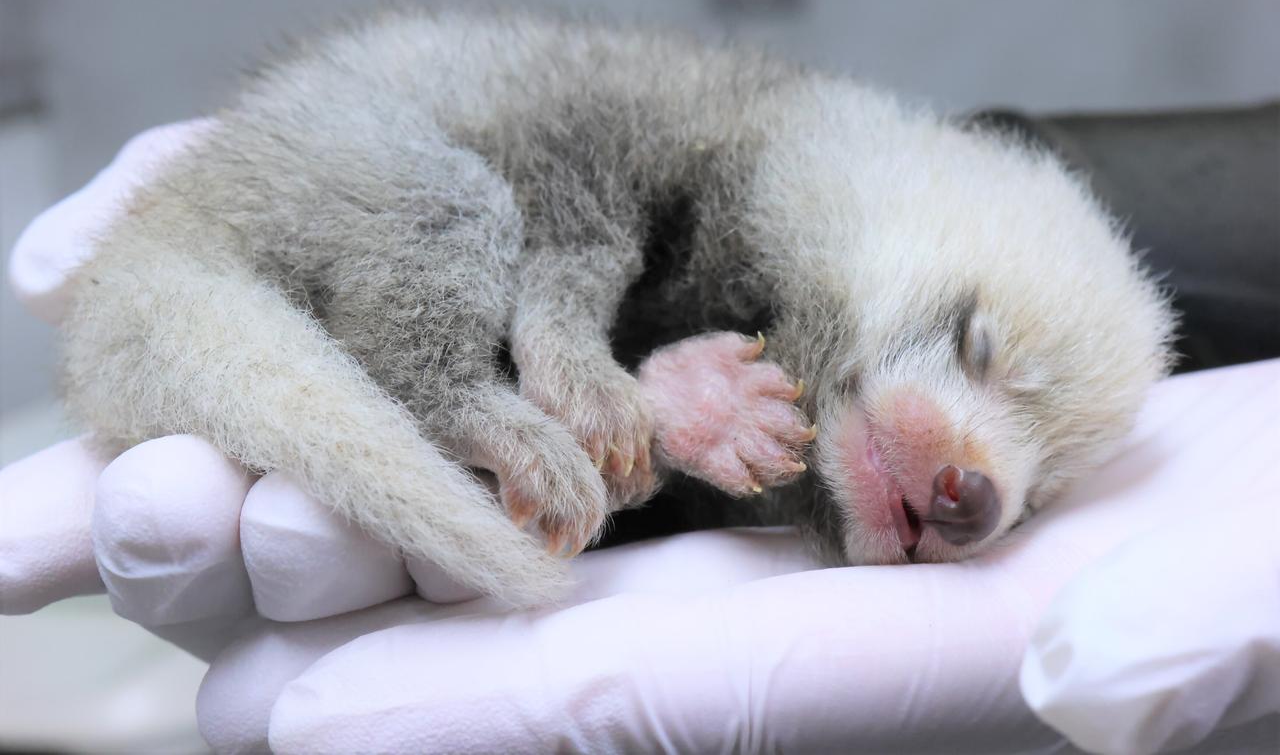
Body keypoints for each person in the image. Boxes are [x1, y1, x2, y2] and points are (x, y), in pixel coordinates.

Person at [2, 122, 1277, 754]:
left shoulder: (821, 379)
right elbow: (585, 173)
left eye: (1032, 478)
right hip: (415, 201)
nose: (977, 484)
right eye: (978, 355)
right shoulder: (778, 168)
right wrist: (562, 354)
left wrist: (646, 426)